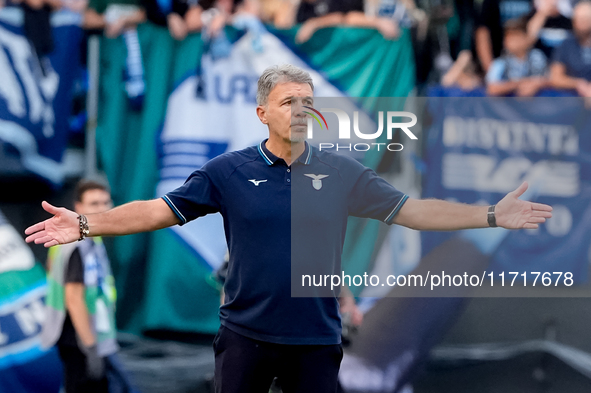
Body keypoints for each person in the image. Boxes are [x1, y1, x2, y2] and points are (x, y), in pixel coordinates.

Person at [26, 64, 553, 393]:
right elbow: (156, 211)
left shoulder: (343, 171)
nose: (301, 111)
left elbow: (413, 210)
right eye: (288, 102)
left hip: (315, 341)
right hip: (245, 338)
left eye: (308, 103)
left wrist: (489, 214)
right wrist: (87, 224)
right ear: (262, 112)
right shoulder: (227, 172)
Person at [40, 180, 132, 393]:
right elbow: (74, 297)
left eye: (105, 202)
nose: (101, 208)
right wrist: (90, 347)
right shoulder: (78, 243)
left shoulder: (91, 239)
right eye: (93, 203)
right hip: (79, 339)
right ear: (78, 207)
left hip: (85, 336)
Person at [486, 17, 549, 96]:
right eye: (508, 38)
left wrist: (535, 85)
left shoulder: (537, 56)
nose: (512, 42)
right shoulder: (500, 62)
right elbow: (492, 88)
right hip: (508, 106)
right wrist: (519, 85)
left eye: (516, 37)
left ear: (526, 38)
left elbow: (548, 79)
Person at [475, 0, 533, 72]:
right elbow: (482, 32)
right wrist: (490, 69)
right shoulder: (492, 2)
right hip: (500, 60)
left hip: (529, 63)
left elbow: (534, 29)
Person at [549, 1, 591, 97]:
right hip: (571, 100)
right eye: (576, 20)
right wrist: (578, 83)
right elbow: (555, 78)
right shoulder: (566, 44)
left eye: (584, 20)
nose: (579, 24)